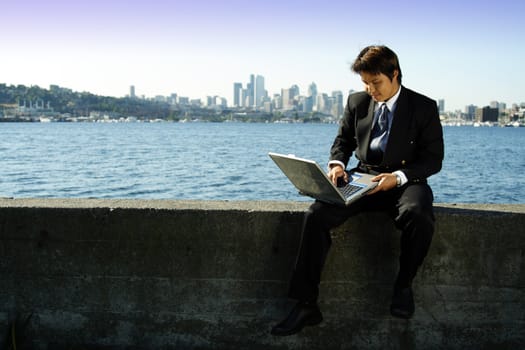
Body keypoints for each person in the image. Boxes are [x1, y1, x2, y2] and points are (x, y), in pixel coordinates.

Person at [271, 45, 444, 336]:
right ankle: (306, 304)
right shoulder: (357, 101)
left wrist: (398, 177)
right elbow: (343, 141)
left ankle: (403, 285)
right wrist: (337, 165)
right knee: (316, 214)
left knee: (419, 214)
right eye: (365, 83)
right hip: (363, 178)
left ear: (395, 75)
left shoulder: (423, 107)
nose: (370, 90)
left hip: (405, 181)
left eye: (376, 83)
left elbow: (433, 160)